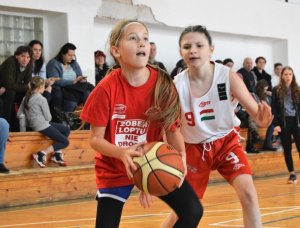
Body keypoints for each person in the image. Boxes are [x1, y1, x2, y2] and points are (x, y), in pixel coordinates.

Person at [80, 19, 203, 228]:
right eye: (133, 38)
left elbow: (172, 131)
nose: (142, 43)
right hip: (115, 167)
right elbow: (95, 140)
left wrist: (181, 156)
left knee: (192, 210)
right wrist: (122, 153)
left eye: (145, 39)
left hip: (154, 161)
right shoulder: (105, 89)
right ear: (116, 51)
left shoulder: (163, 86)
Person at [167, 25, 273, 228]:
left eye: (199, 45)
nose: (193, 50)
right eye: (187, 46)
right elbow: (169, 128)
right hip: (193, 149)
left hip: (226, 142)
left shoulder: (227, 76)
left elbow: (254, 112)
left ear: (211, 50)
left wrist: (261, 121)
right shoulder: (175, 86)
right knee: (184, 211)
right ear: (181, 52)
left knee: (249, 194)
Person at [17, 77, 70, 167]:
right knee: (65, 142)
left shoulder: (26, 97)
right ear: (41, 87)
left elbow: (19, 114)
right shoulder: (42, 99)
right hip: (42, 125)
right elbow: (48, 118)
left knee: (66, 130)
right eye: (44, 86)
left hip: (36, 124)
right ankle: (41, 154)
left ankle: (56, 154)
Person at [272, 66, 300, 184]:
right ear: (281, 76)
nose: (288, 77)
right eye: (285, 74)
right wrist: (276, 124)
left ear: (292, 76)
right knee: (287, 149)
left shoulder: (297, 90)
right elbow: (274, 108)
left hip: (297, 121)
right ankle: (292, 174)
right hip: (284, 122)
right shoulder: (276, 89)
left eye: (290, 74)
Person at [46, 42, 90, 112]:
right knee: (71, 102)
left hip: (75, 87)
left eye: (73, 55)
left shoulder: (74, 63)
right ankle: (65, 119)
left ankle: (87, 117)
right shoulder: (53, 63)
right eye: (69, 55)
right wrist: (73, 81)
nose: (72, 57)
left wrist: (82, 80)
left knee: (88, 93)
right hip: (64, 87)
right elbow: (55, 79)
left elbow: (79, 75)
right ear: (62, 54)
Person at [0, 45, 33, 131]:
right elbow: (8, 84)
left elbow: (28, 83)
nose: (25, 59)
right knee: (11, 93)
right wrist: (26, 86)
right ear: (16, 56)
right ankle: (5, 127)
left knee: (30, 94)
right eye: (22, 56)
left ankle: (26, 125)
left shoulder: (29, 64)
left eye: (28, 57)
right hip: (2, 89)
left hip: (11, 88)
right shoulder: (10, 62)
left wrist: (27, 87)